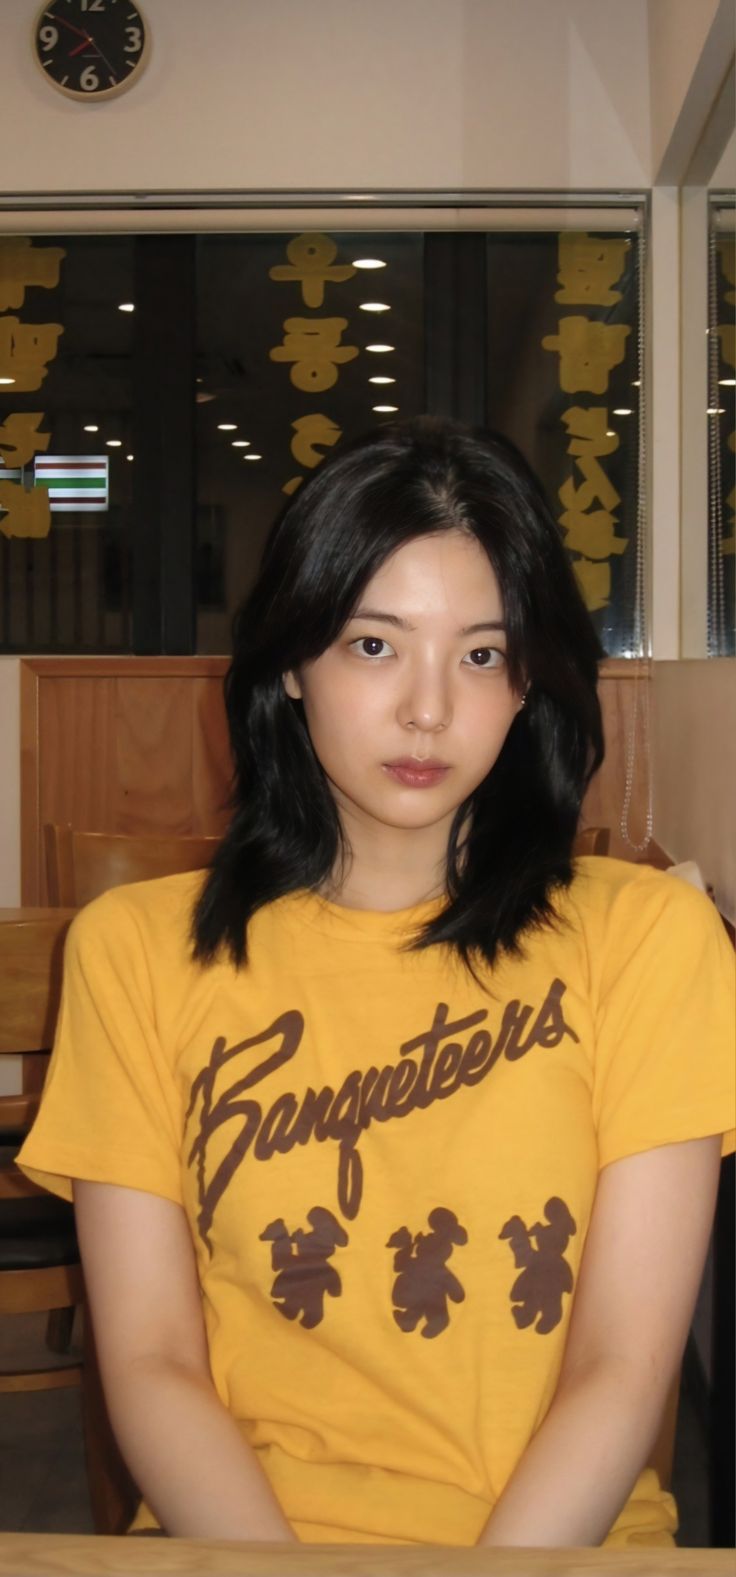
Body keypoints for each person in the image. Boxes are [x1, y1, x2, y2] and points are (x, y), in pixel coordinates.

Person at [19, 417, 735, 1549]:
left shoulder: (649, 939)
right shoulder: (133, 951)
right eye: (372, 644)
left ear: (527, 686)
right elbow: (153, 1358)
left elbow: (621, 1361)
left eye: (482, 653)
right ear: (292, 664)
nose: (427, 707)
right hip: (240, 1545)